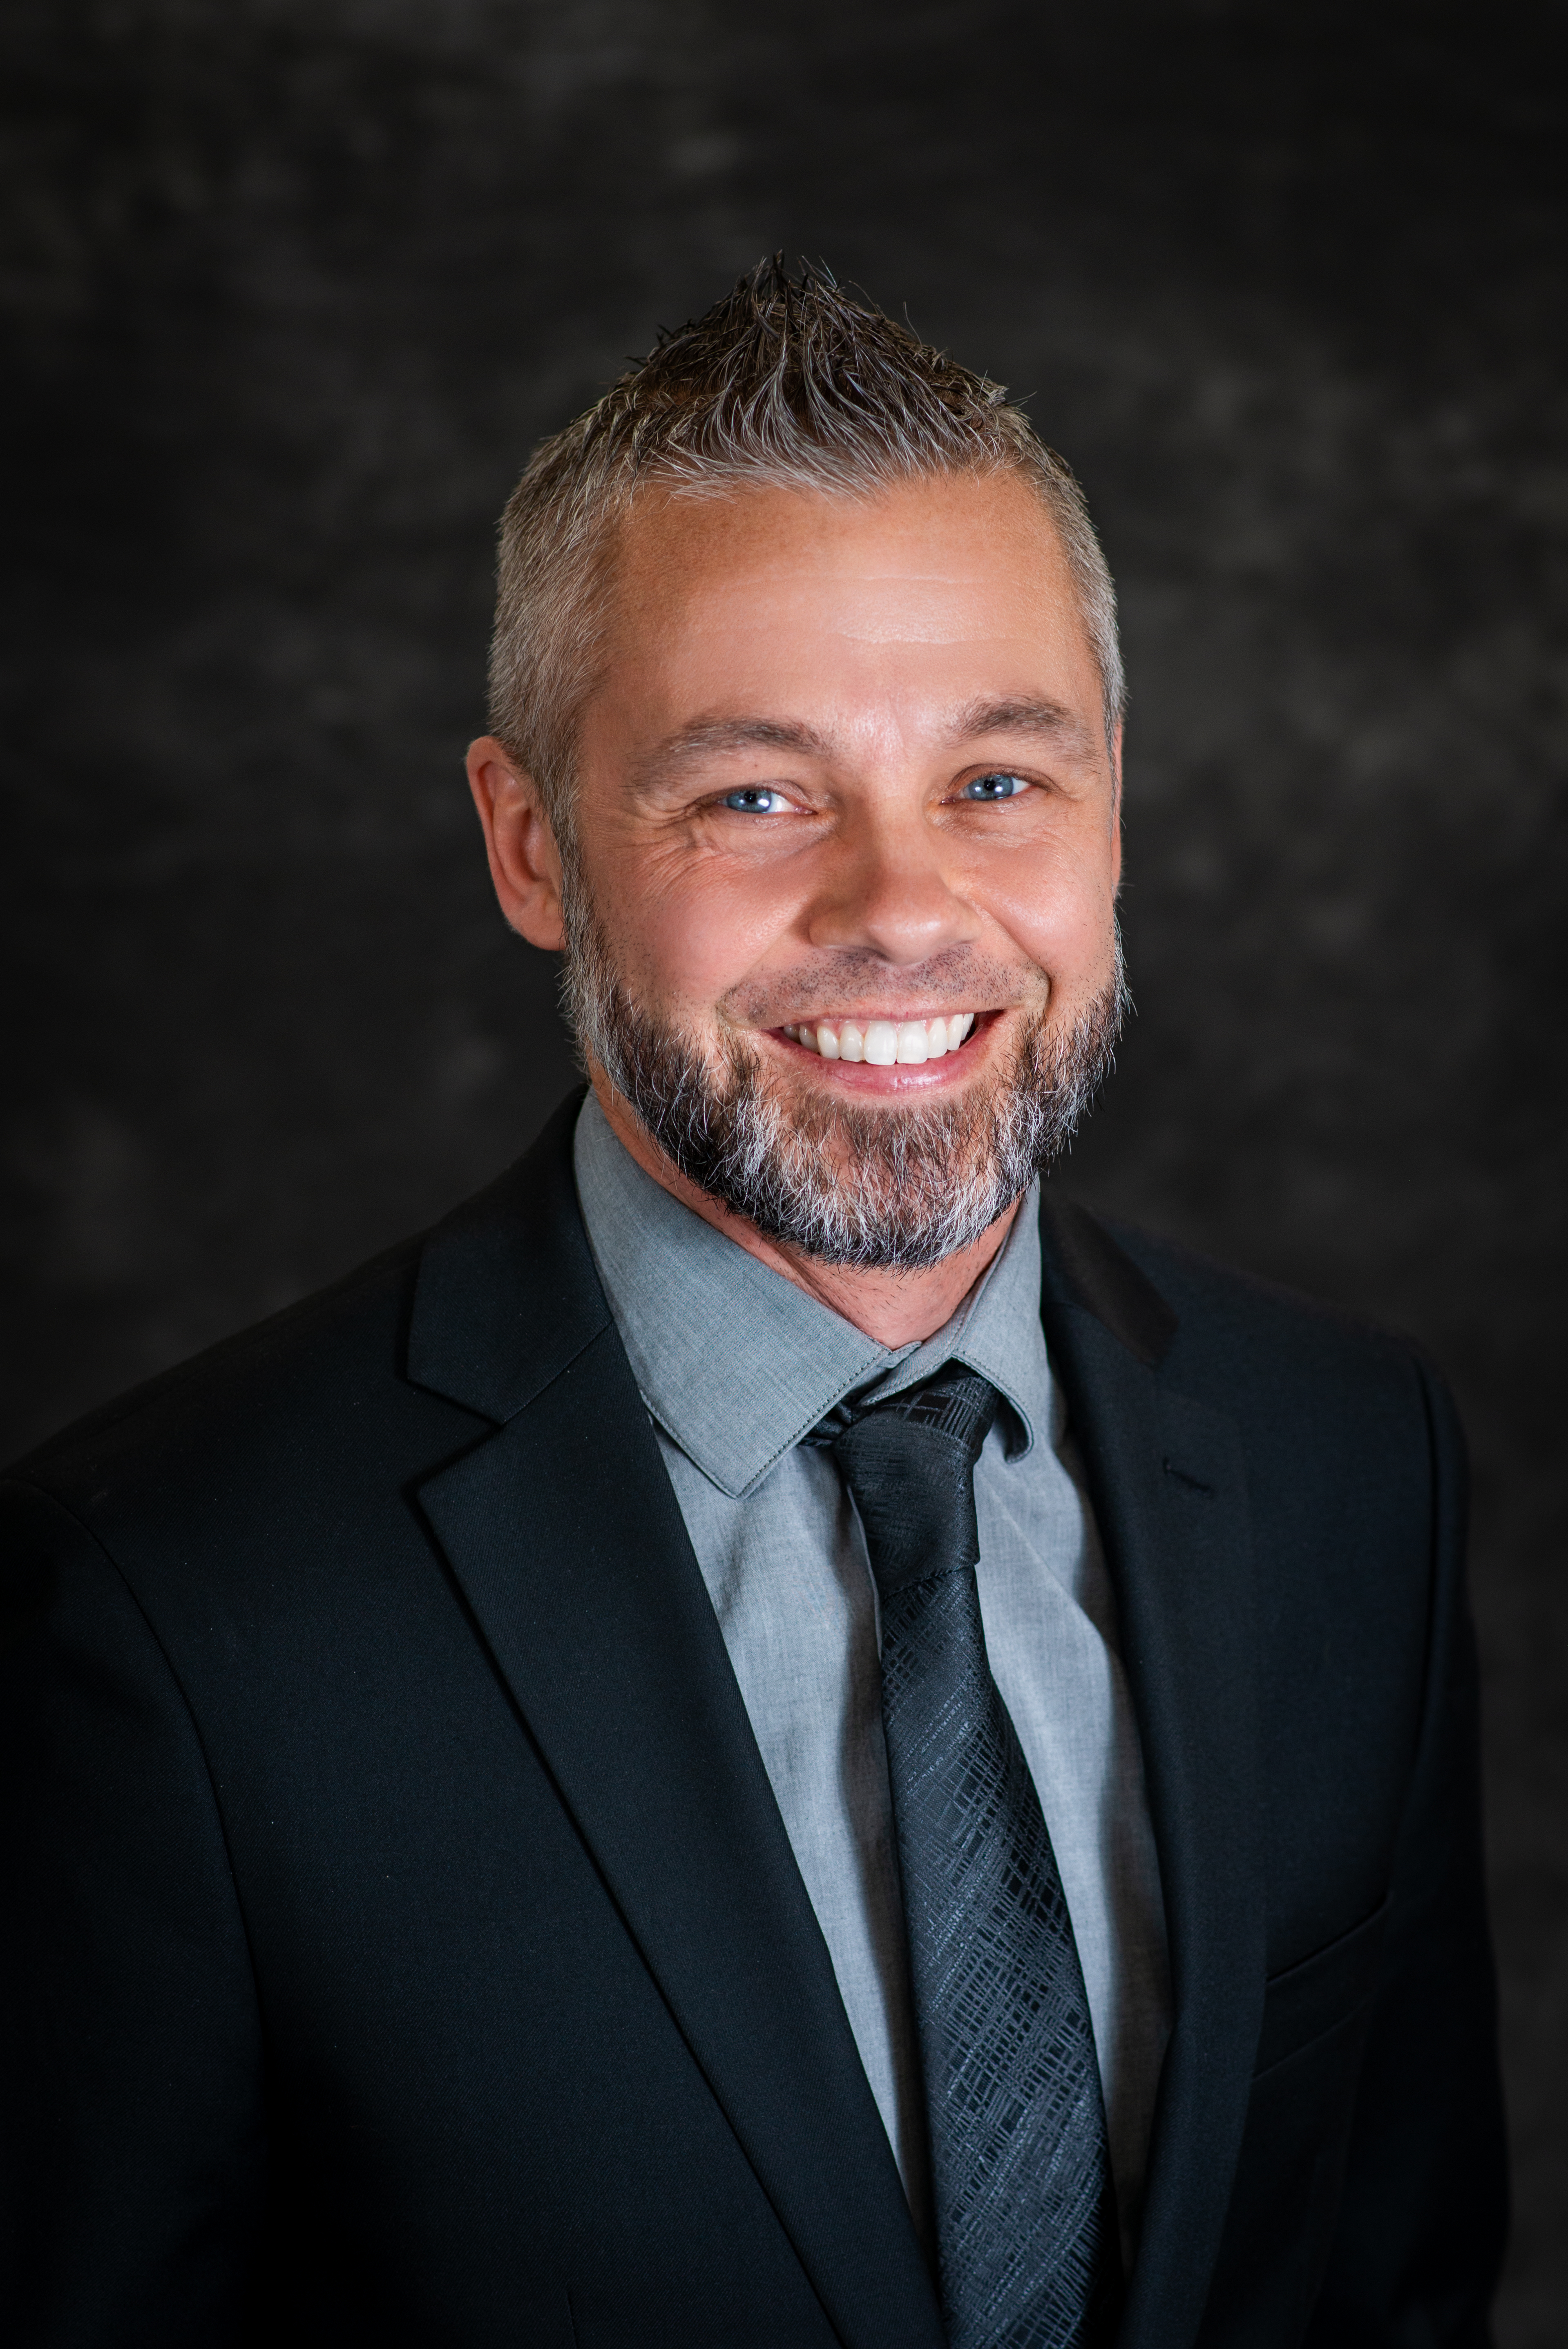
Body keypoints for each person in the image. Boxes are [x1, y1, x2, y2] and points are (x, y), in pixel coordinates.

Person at [0, 261, 1506, 2349]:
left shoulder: (1354, 1459)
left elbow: (1393, 2282)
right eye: (754, 793)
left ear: (1116, 806)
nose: (902, 904)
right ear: (534, 848)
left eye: (999, 779)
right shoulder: (157, 1607)